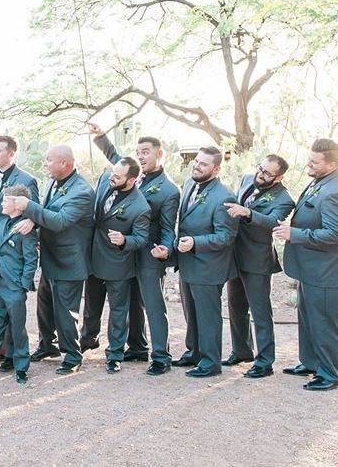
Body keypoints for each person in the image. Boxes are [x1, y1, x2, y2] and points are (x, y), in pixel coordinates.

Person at [86, 123, 180, 376]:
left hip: (148, 253)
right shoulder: (128, 172)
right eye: (138, 151)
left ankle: (161, 356)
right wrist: (100, 136)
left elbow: (169, 227)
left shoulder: (170, 190)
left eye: (146, 151)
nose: (140, 155)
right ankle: (137, 346)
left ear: (159, 154)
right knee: (131, 303)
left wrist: (167, 249)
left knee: (153, 305)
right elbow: (117, 159)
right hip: (120, 253)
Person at [5, 145, 95, 375]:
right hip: (50, 257)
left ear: (64, 163)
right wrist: (34, 221)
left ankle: (72, 356)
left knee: (66, 311)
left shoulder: (82, 191)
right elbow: (47, 213)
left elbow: (61, 221)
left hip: (69, 260)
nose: (45, 164)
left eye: (49, 160)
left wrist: (28, 207)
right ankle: (48, 345)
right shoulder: (54, 182)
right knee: (44, 305)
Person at [275, 138, 338, 391]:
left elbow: (334, 235)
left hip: (328, 271)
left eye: (315, 162)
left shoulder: (335, 192)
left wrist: (294, 234)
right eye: (309, 158)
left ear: (332, 164)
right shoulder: (321, 180)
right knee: (308, 318)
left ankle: (330, 374)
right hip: (311, 268)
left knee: (325, 324)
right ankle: (310, 363)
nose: (308, 164)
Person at [222, 154, 295, 378]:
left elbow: (273, 223)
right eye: (259, 169)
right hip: (235, 255)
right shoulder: (246, 179)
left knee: (260, 311)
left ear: (279, 176)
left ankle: (265, 362)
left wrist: (248, 213)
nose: (259, 175)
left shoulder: (284, 199)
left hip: (257, 260)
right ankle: (242, 351)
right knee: (236, 306)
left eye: (266, 173)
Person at [172, 146, 239, 378]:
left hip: (209, 266)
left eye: (203, 164)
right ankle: (195, 351)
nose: (197, 166)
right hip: (188, 262)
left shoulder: (224, 196)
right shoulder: (190, 184)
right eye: (197, 161)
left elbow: (226, 237)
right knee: (191, 311)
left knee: (208, 315)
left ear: (217, 168)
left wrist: (195, 243)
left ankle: (211, 362)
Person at [0, 135, 39, 366]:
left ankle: (12, 353)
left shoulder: (26, 179)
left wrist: (32, 223)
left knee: (14, 301)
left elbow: (34, 210)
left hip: (13, 244)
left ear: (12, 154)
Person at [88, 157, 151, 374]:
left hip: (118, 263)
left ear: (131, 180)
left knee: (118, 311)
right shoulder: (106, 181)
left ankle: (115, 353)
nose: (111, 177)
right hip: (94, 256)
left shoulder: (140, 206)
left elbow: (142, 238)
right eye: (112, 173)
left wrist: (125, 240)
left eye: (117, 176)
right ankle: (88, 339)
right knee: (91, 305)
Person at [0, 184, 38, 385]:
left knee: (18, 328)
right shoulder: (1, 223)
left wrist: (23, 284)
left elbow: (31, 259)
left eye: (5, 200)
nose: (2, 203)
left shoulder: (26, 228)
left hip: (14, 286)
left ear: (17, 204)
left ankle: (21, 367)